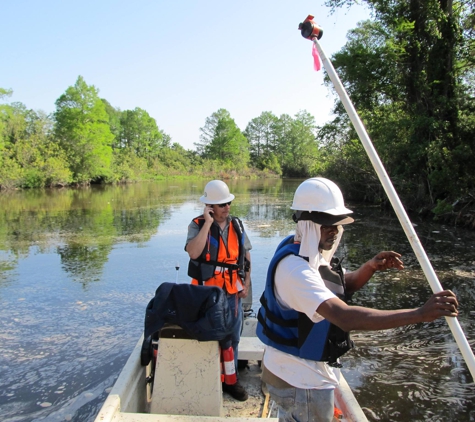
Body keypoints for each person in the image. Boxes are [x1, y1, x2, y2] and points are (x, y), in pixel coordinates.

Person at [256, 177, 459, 422]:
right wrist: (419, 314)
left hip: (291, 371)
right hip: (301, 380)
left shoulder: (302, 248)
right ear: (308, 223)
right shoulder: (295, 271)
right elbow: (344, 316)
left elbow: (337, 287)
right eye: (328, 224)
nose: (335, 230)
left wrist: (370, 267)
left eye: (337, 224)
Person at [185, 180, 252, 401]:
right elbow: (194, 253)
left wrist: (247, 283)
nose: (227, 208)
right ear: (210, 206)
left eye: (228, 203)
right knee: (209, 335)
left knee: (232, 337)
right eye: (222, 204)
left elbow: (246, 257)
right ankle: (208, 378)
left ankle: (231, 382)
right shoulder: (196, 225)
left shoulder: (237, 225)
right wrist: (207, 223)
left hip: (233, 290)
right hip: (207, 293)